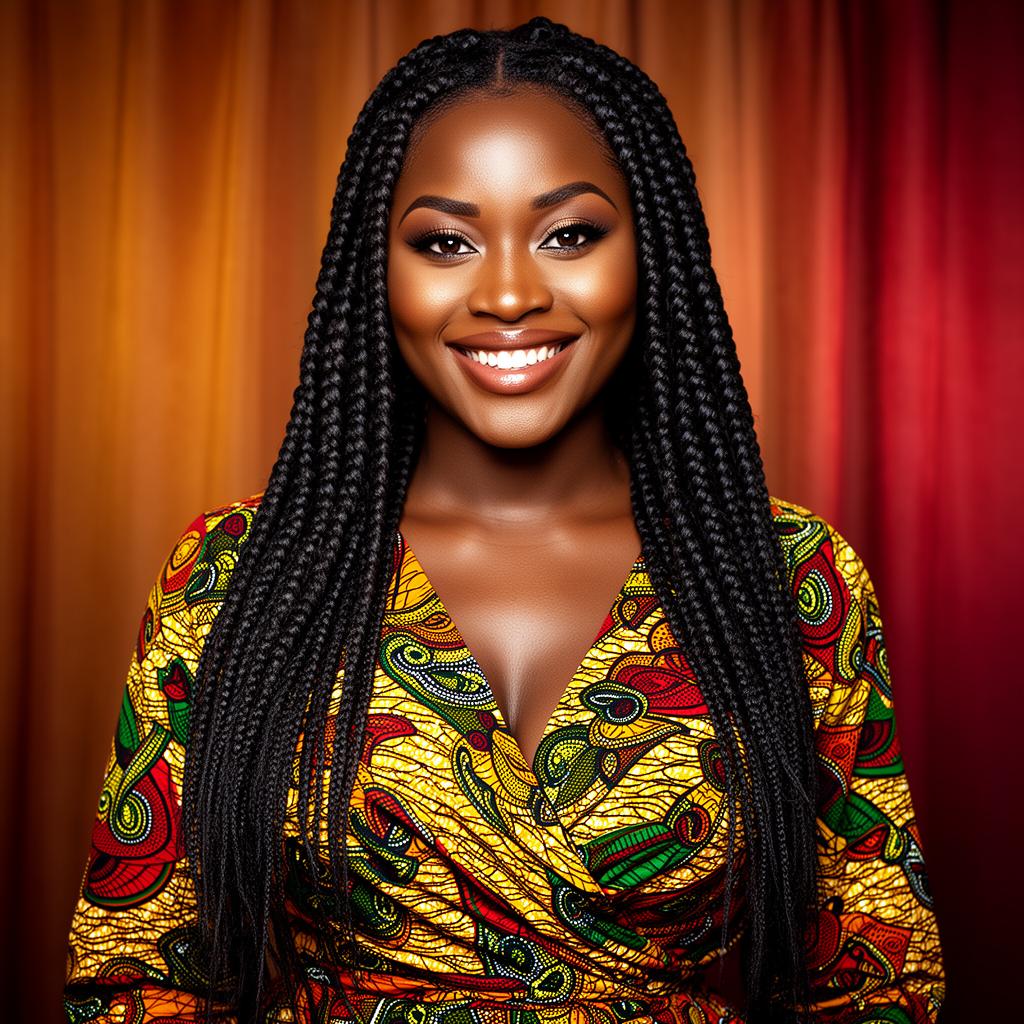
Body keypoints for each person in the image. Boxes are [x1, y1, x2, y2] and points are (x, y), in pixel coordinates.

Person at [62, 16, 944, 1024]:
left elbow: (880, 976)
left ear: (649, 251)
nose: (512, 291)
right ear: (375, 272)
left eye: (569, 233)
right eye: (444, 241)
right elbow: (135, 971)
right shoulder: (234, 573)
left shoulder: (788, 573)